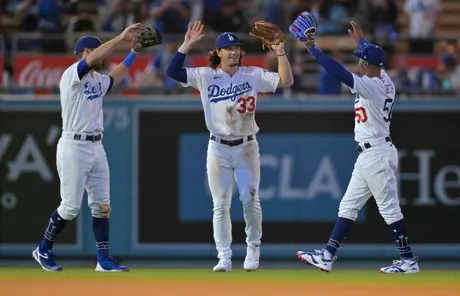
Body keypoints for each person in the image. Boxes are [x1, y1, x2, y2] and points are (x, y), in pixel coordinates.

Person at [289, 16, 420, 274]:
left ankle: (409, 260)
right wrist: (361, 40)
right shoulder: (384, 80)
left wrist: (312, 48)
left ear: (368, 64)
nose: (359, 61)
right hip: (371, 153)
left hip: (376, 153)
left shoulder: (371, 84)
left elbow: (338, 71)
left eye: (362, 58)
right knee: (348, 206)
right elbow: (373, 58)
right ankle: (327, 255)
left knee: (389, 208)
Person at [166, 20, 294, 272]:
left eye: (236, 47)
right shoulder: (205, 75)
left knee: (250, 199)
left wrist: (280, 52)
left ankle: (253, 248)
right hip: (218, 148)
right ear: (218, 52)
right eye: (228, 48)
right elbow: (173, 72)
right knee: (220, 203)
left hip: (246, 146)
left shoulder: (253, 74)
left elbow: (286, 81)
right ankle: (224, 256)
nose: (234, 51)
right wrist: (187, 45)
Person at [32, 23, 150, 272]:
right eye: (97, 52)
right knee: (70, 207)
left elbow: (115, 78)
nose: (103, 56)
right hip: (73, 145)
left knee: (102, 205)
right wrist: (119, 37)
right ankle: (43, 249)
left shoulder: (97, 79)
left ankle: (103, 260)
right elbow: (98, 56)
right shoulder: (72, 74)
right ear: (85, 53)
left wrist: (134, 53)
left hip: (96, 146)